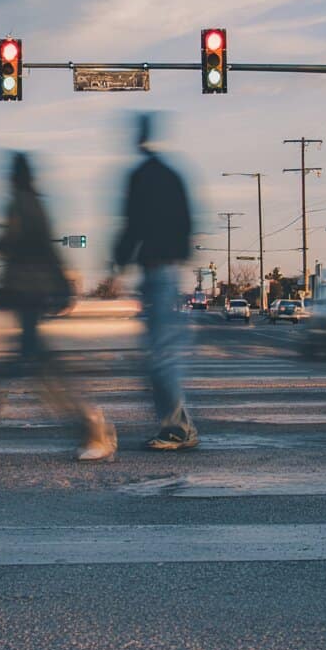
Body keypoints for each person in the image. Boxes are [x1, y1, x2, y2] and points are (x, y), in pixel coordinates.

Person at [0, 152, 116, 461]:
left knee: (30, 366)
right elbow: (48, 248)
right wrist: (61, 286)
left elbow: (17, 244)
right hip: (31, 294)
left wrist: (0, 242)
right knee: (30, 363)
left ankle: (90, 427)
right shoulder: (34, 203)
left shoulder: (20, 204)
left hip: (25, 293)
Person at [113, 113, 199, 450]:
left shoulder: (141, 177)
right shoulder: (172, 175)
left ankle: (179, 429)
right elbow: (187, 221)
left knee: (160, 354)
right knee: (159, 353)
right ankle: (179, 425)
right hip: (167, 268)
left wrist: (119, 259)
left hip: (156, 269)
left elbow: (132, 222)